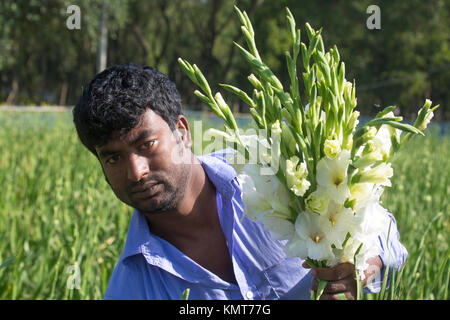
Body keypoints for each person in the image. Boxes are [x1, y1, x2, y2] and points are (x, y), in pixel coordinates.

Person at [72, 63, 407, 300]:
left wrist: (361, 269)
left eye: (146, 145)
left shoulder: (269, 173)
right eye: (112, 157)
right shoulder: (132, 288)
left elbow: (383, 235)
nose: (136, 171)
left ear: (182, 132)